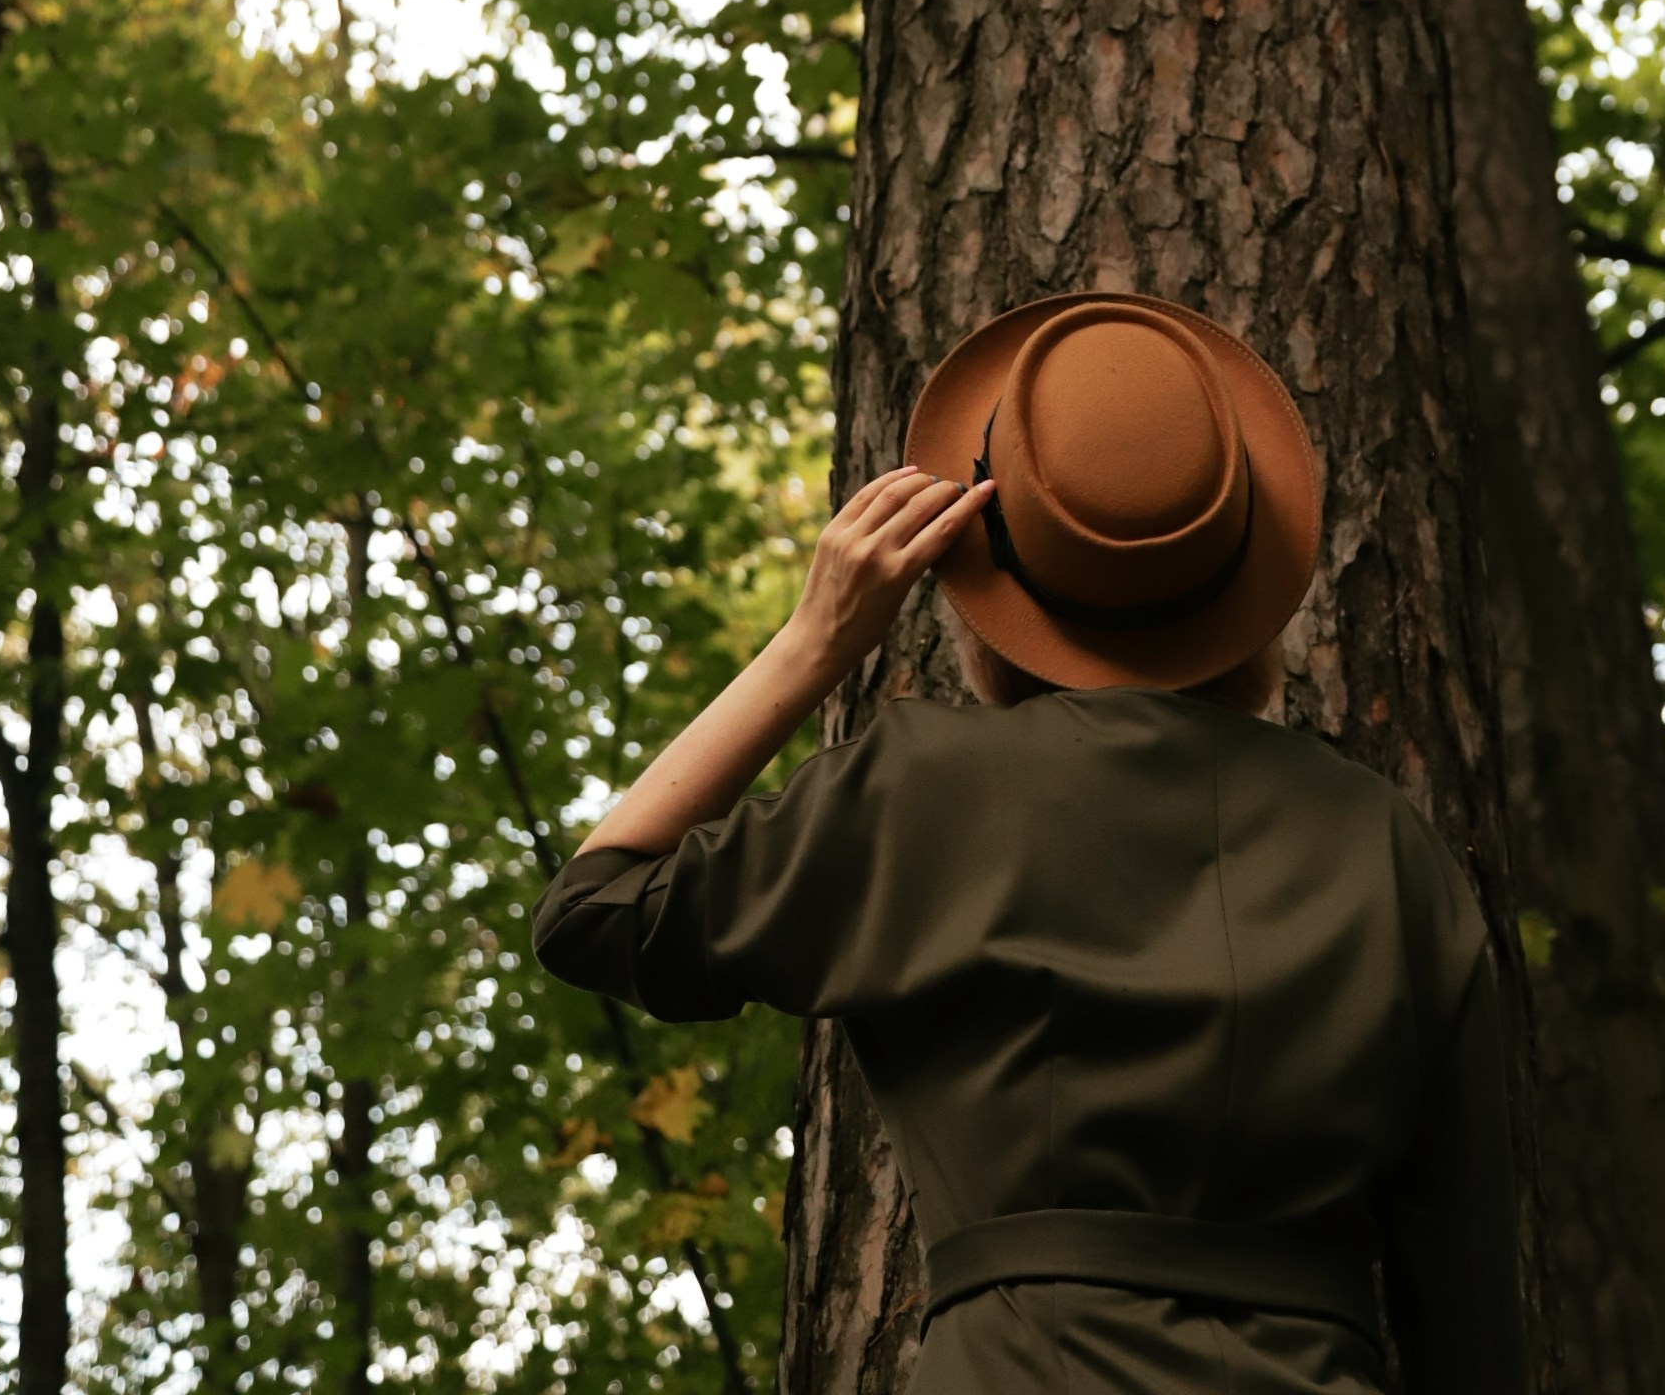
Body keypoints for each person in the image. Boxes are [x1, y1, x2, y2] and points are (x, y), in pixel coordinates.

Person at [532, 291, 1529, 1393]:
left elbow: (592, 912)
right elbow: (1468, 1301)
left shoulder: (921, 791)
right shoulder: (1388, 849)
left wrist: (814, 644)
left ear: (985, 586)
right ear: (1245, 581)